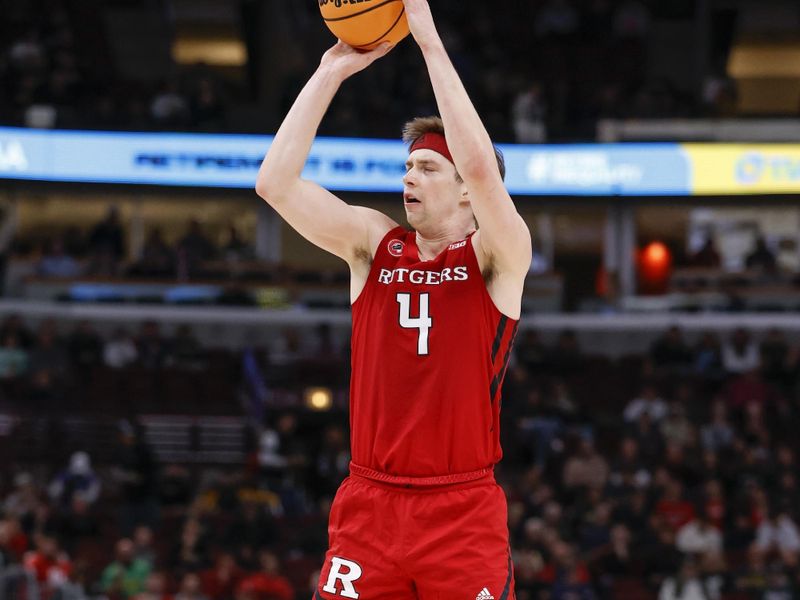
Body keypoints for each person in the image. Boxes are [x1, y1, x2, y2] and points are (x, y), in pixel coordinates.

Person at [255, 1, 531, 597]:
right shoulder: (374, 245)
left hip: (461, 508)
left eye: (428, 167)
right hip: (369, 504)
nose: (409, 177)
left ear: (465, 193)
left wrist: (430, 41)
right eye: (408, 166)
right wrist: (331, 69)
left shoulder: (498, 257)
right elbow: (274, 184)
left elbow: (484, 169)